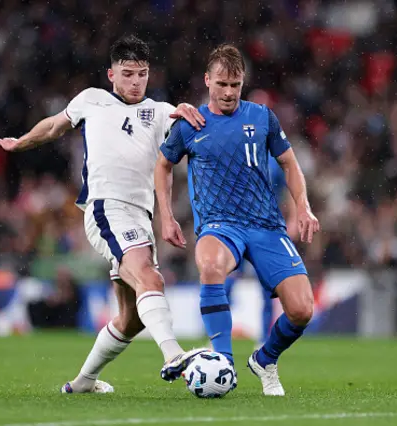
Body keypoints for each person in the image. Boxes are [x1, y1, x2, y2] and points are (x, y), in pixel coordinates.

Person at [0, 35, 207, 394]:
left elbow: (184, 147)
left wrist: (193, 115)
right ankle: (173, 355)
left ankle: (82, 383)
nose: (135, 81)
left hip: (139, 216)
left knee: (132, 318)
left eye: (141, 74)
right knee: (151, 279)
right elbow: (53, 126)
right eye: (127, 74)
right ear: (111, 74)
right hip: (106, 207)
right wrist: (22, 141)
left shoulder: (160, 111)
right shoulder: (92, 100)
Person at [155, 44, 320, 396]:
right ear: (207, 81)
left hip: (265, 225)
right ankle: (224, 362)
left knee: (302, 309)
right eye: (221, 84)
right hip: (219, 224)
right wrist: (166, 217)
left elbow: (290, 163)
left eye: (235, 84)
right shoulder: (190, 123)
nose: (228, 92)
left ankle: (265, 358)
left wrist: (302, 207)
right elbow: (163, 165)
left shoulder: (262, 118)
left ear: (242, 82)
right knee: (211, 266)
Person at [223, 156, 288, 347]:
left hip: (266, 230)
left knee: (267, 286)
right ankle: (219, 335)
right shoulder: (236, 152)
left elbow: (285, 191)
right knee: (226, 281)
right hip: (237, 227)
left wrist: (290, 218)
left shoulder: (274, 159)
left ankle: (264, 339)